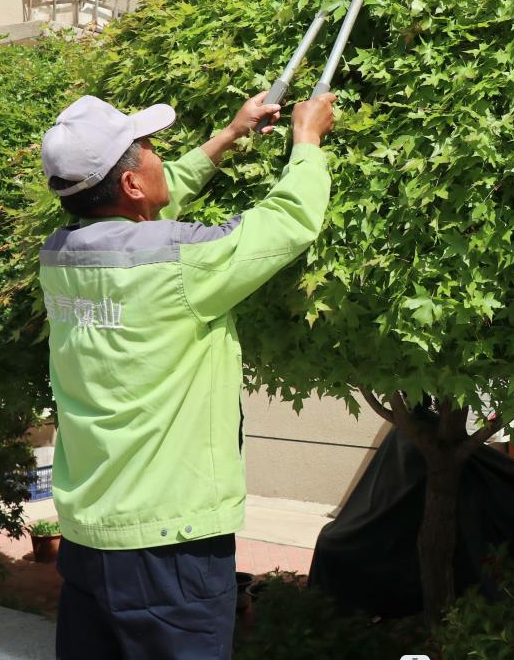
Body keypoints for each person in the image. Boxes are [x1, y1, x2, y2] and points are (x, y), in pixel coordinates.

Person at [38, 89, 335, 659]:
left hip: (87, 540)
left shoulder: (61, 256)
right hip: (169, 552)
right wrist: (307, 141)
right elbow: (288, 221)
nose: (156, 155)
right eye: (146, 148)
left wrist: (226, 137)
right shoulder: (182, 262)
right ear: (129, 184)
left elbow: (145, 212)